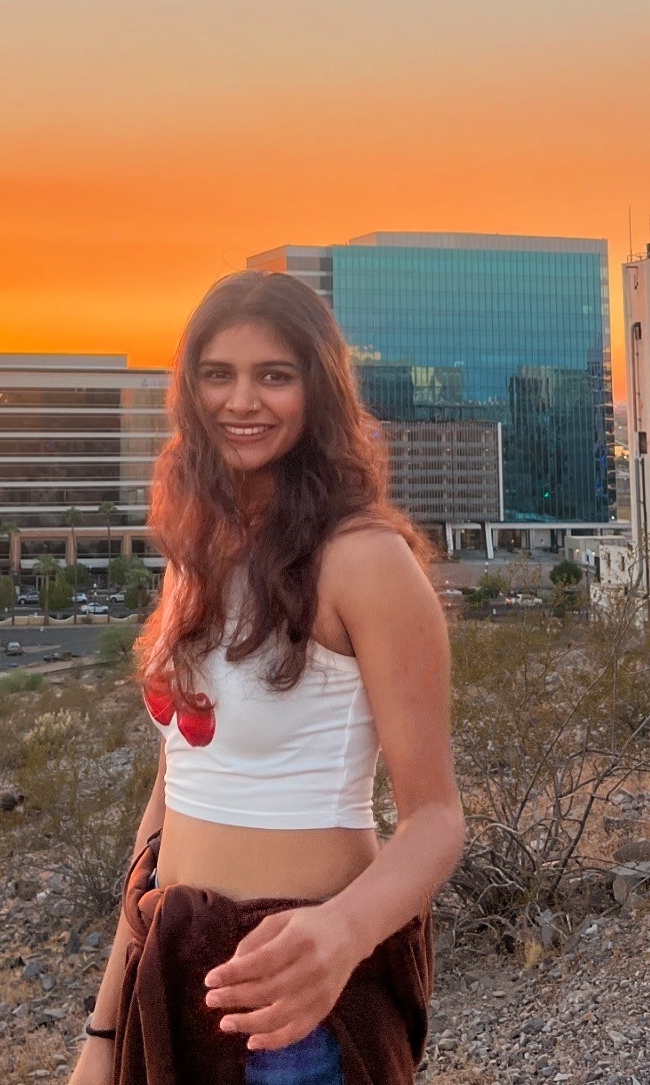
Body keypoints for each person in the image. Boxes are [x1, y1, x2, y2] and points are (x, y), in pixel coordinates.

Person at [71, 272, 465, 1085]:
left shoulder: (366, 561)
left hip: (294, 1001)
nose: (242, 401)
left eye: (273, 376)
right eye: (219, 374)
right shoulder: (198, 549)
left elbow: (436, 818)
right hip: (170, 978)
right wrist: (104, 1032)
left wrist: (343, 936)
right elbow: (168, 802)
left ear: (316, 391)